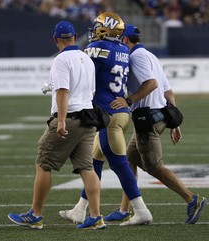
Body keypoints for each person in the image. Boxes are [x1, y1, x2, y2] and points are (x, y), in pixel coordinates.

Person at [8, 20, 105, 230]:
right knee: (87, 168)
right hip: (88, 118)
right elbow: (89, 90)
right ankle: (96, 216)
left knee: (43, 163)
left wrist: (60, 121)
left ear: (55, 39)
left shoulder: (61, 60)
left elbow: (63, 91)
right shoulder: (86, 59)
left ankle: (35, 214)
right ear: (74, 36)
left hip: (69, 117)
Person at [59, 12, 153, 226]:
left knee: (120, 164)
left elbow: (84, 73)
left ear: (105, 29)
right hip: (118, 112)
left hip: (106, 114)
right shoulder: (122, 49)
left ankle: (141, 209)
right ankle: (79, 209)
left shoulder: (97, 48)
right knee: (95, 162)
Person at [108, 24, 207, 224]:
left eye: (120, 40)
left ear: (125, 40)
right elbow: (167, 91)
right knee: (129, 161)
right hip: (157, 115)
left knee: (154, 167)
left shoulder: (136, 57)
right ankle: (124, 209)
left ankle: (192, 199)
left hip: (148, 119)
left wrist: (128, 101)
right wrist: (175, 123)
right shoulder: (151, 56)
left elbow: (152, 84)